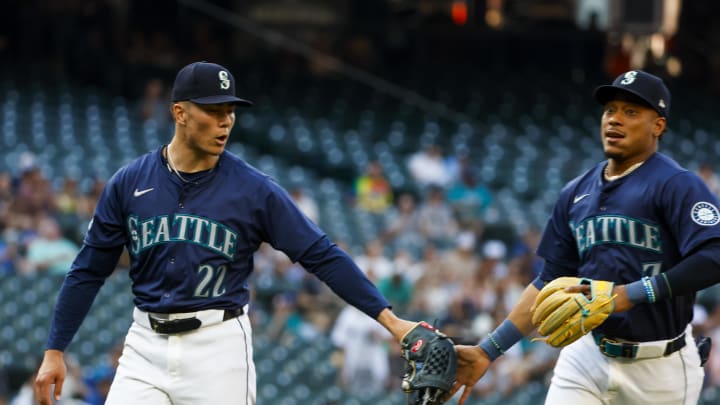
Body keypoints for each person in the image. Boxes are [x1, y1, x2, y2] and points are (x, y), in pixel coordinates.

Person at [33, 61, 419, 405]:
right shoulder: (128, 183)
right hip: (145, 344)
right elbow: (88, 270)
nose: (226, 121)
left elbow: (321, 254)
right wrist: (55, 349)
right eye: (214, 111)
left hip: (218, 347)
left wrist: (391, 321)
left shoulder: (254, 189)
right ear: (179, 113)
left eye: (230, 111)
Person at [448, 70, 720, 404]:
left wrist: (630, 294)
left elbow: (714, 256)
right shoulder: (575, 192)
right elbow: (549, 281)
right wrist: (488, 350)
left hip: (659, 365)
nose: (615, 120)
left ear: (658, 125)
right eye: (610, 110)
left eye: (631, 112)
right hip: (588, 355)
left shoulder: (676, 184)